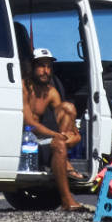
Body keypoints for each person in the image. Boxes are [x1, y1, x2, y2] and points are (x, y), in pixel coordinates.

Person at [23, 48, 89, 212]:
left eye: (49, 67)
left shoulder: (51, 92)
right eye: (41, 66)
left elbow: (71, 128)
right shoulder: (24, 87)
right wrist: (58, 136)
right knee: (59, 143)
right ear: (31, 67)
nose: (46, 71)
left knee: (68, 107)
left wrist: (74, 137)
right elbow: (29, 122)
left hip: (44, 137)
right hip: (27, 137)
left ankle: (62, 159)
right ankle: (67, 200)